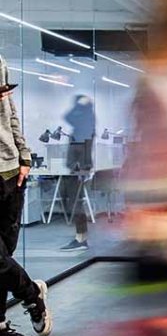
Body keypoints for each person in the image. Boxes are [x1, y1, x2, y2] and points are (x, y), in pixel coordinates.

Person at [0, 57, 52, 336]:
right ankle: (31, 294)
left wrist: (24, 156)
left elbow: (9, 114)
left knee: (3, 255)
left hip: (10, 175)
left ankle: (1, 327)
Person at [61, 94, 96, 252]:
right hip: (75, 168)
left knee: (76, 203)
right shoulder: (81, 124)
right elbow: (67, 116)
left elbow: (86, 147)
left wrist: (83, 168)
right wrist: (78, 102)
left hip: (79, 168)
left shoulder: (88, 123)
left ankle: (81, 238)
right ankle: (80, 236)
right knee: (72, 201)